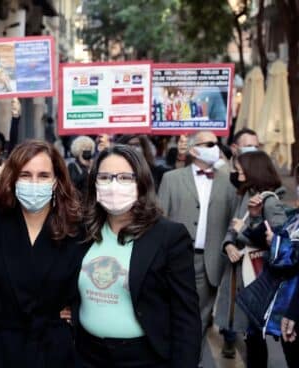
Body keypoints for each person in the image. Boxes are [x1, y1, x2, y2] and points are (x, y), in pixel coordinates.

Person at [74, 144, 201, 367]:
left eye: (124, 177)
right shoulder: (82, 232)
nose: (113, 186)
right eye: (104, 177)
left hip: (143, 357)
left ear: (141, 183)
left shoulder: (169, 236)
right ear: (94, 184)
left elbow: (185, 316)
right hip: (87, 354)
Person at [0, 140, 85, 367]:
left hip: (53, 351)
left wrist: (74, 310)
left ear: (56, 180)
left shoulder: (76, 231)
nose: (34, 182)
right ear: (13, 178)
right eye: (25, 175)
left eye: (43, 175)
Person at [158, 130, 238, 364]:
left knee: (200, 319)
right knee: (173, 314)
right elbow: (160, 218)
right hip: (174, 260)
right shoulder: (171, 179)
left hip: (210, 261)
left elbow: (235, 218)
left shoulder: (227, 182)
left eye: (217, 143)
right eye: (209, 144)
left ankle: (193, 360)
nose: (216, 147)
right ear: (193, 150)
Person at [214, 151, 287, 367]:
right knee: (251, 334)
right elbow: (233, 225)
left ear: (253, 169)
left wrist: (242, 231)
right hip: (243, 271)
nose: (237, 171)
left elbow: (277, 241)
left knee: (256, 335)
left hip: (258, 274)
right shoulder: (245, 194)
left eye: (240, 168)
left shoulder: (269, 201)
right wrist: (227, 244)